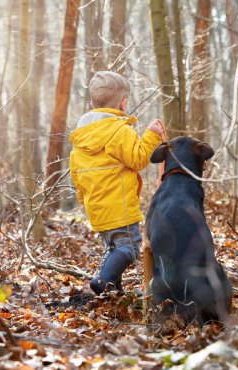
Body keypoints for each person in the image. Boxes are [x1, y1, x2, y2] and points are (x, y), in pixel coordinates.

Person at [69, 71, 164, 295]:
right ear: (123, 103)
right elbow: (138, 159)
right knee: (129, 248)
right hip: (119, 206)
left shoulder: (82, 136)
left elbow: (76, 174)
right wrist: (151, 136)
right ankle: (103, 281)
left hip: (96, 207)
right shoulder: (120, 131)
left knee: (114, 248)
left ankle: (114, 289)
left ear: (92, 103)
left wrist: (85, 200)